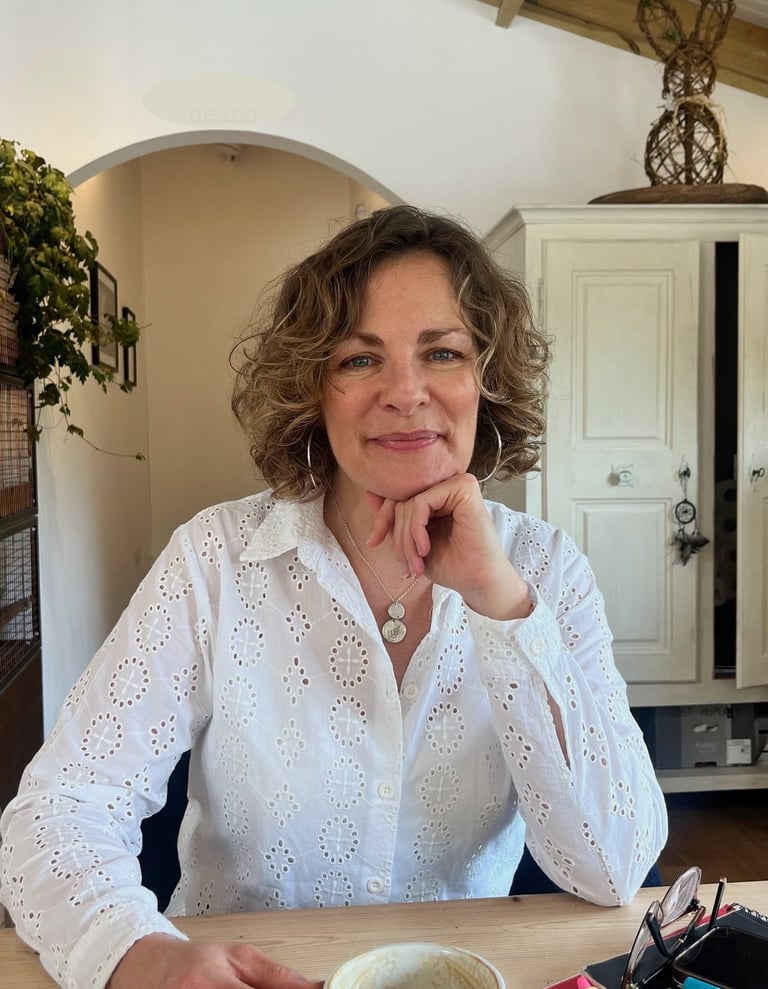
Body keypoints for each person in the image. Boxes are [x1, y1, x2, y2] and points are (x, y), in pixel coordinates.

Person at [0, 204, 668, 989]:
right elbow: (58, 809)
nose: (405, 391)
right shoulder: (215, 558)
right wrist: (141, 954)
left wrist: (502, 605)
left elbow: (615, 864)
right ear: (314, 387)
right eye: (359, 359)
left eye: (443, 352)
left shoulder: (546, 570)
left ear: (485, 381)